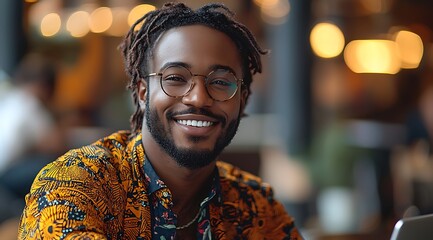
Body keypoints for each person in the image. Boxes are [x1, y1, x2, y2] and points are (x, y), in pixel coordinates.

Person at [18, 2, 302, 239]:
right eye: (176, 78)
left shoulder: (256, 206)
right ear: (143, 92)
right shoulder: (78, 184)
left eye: (220, 81)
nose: (198, 98)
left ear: (243, 98)